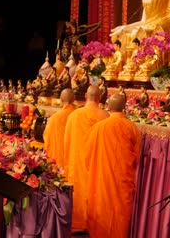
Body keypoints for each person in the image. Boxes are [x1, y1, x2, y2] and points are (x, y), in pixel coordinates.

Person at [85, 94, 140, 238]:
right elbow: (137, 156)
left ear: (109, 107)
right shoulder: (132, 128)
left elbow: (88, 154)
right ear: (124, 107)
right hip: (123, 181)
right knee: (120, 215)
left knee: (101, 210)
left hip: (101, 179)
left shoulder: (98, 128)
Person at [64, 85, 109, 232]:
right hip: (97, 161)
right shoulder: (105, 116)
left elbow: (67, 140)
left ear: (85, 97)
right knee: (94, 189)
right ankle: (94, 223)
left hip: (77, 159)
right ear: (100, 98)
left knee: (78, 188)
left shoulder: (74, 115)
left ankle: (77, 223)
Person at [43, 88, 76, 173]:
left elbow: (47, 137)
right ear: (74, 99)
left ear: (61, 100)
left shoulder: (55, 118)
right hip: (75, 161)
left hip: (59, 161)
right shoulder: (79, 115)